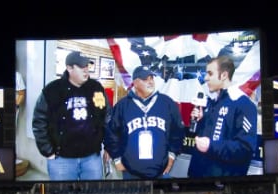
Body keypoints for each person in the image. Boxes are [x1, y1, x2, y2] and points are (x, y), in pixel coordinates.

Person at [31, 50, 110, 181]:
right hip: (62, 160)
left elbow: (107, 116)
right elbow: (39, 121)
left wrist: (108, 145)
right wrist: (48, 151)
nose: (86, 70)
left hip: (92, 158)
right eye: (81, 67)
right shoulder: (52, 90)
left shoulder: (96, 88)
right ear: (69, 68)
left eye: (87, 66)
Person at [103, 65, 185, 179]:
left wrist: (171, 156)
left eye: (152, 78)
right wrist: (117, 159)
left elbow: (178, 131)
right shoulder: (122, 106)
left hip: (160, 171)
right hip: (130, 172)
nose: (150, 82)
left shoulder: (167, 103)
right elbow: (111, 133)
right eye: (145, 79)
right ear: (135, 83)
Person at [187, 55, 259, 178]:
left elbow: (245, 149)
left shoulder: (243, 103)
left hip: (222, 185)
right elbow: (206, 137)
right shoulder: (211, 101)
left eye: (210, 74)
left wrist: (211, 146)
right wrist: (200, 121)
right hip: (197, 177)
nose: (205, 78)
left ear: (224, 75)